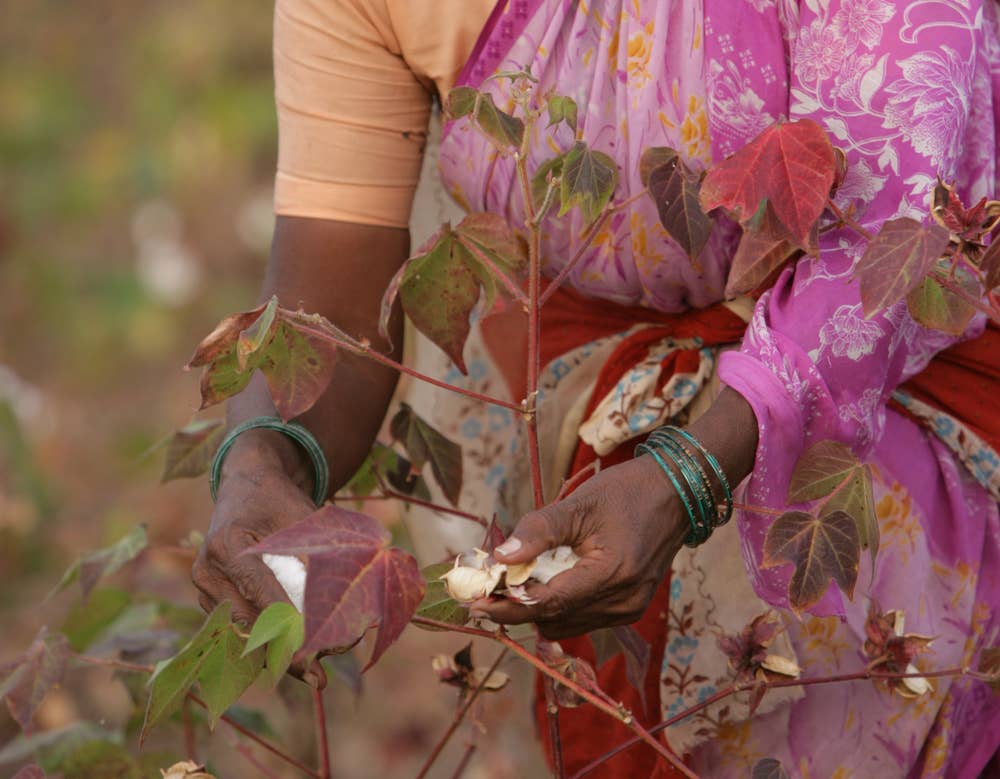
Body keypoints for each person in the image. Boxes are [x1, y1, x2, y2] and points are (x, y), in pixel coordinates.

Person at [191, 0, 1000, 775]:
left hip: (917, 365)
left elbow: (888, 237)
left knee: (816, 639)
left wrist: (688, 473)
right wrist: (261, 462)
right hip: (598, 398)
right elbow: (331, 279)